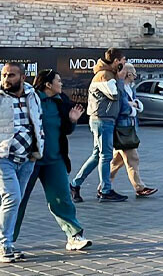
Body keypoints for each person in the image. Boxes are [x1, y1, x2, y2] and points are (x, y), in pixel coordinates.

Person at [13, 69, 90, 252]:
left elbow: (65, 130)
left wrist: (72, 121)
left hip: (55, 159)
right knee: (17, 199)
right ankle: (6, 239)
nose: (61, 84)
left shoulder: (61, 101)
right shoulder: (30, 99)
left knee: (62, 198)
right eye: (58, 81)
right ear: (48, 84)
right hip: (29, 159)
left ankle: (74, 236)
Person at [70, 48, 127, 203]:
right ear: (116, 61)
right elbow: (115, 95)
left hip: (105, 119)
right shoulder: (104, 76)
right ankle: (105, 190)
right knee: (105, 156)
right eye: (123, 61)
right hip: (102, 120)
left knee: (97, 155)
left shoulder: (109, 74)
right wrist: (120, 79)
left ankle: (75, 184)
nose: (125, 64)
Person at [0, 64, 43, 262]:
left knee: (13, 201)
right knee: (12, 198)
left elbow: (37, 120)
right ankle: (5, 245)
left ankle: (7, 242)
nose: (6, 78)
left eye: (11, 75)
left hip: (27, 158)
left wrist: (39, 145)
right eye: (4, 75)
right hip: (4, 158)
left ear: (23, 77)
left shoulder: (32, 95)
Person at [109, 65, 156, 198]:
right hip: (123, 128)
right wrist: (133, 107)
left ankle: (104, 185)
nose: (135, 76)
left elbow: (135, 103)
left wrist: (134, 105)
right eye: (134, 73)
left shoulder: (130, 88)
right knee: (133, 158)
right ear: (128, 74)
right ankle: (139, 187)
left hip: (129, 127)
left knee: (117, 161)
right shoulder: (121, 88)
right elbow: (123, 107)